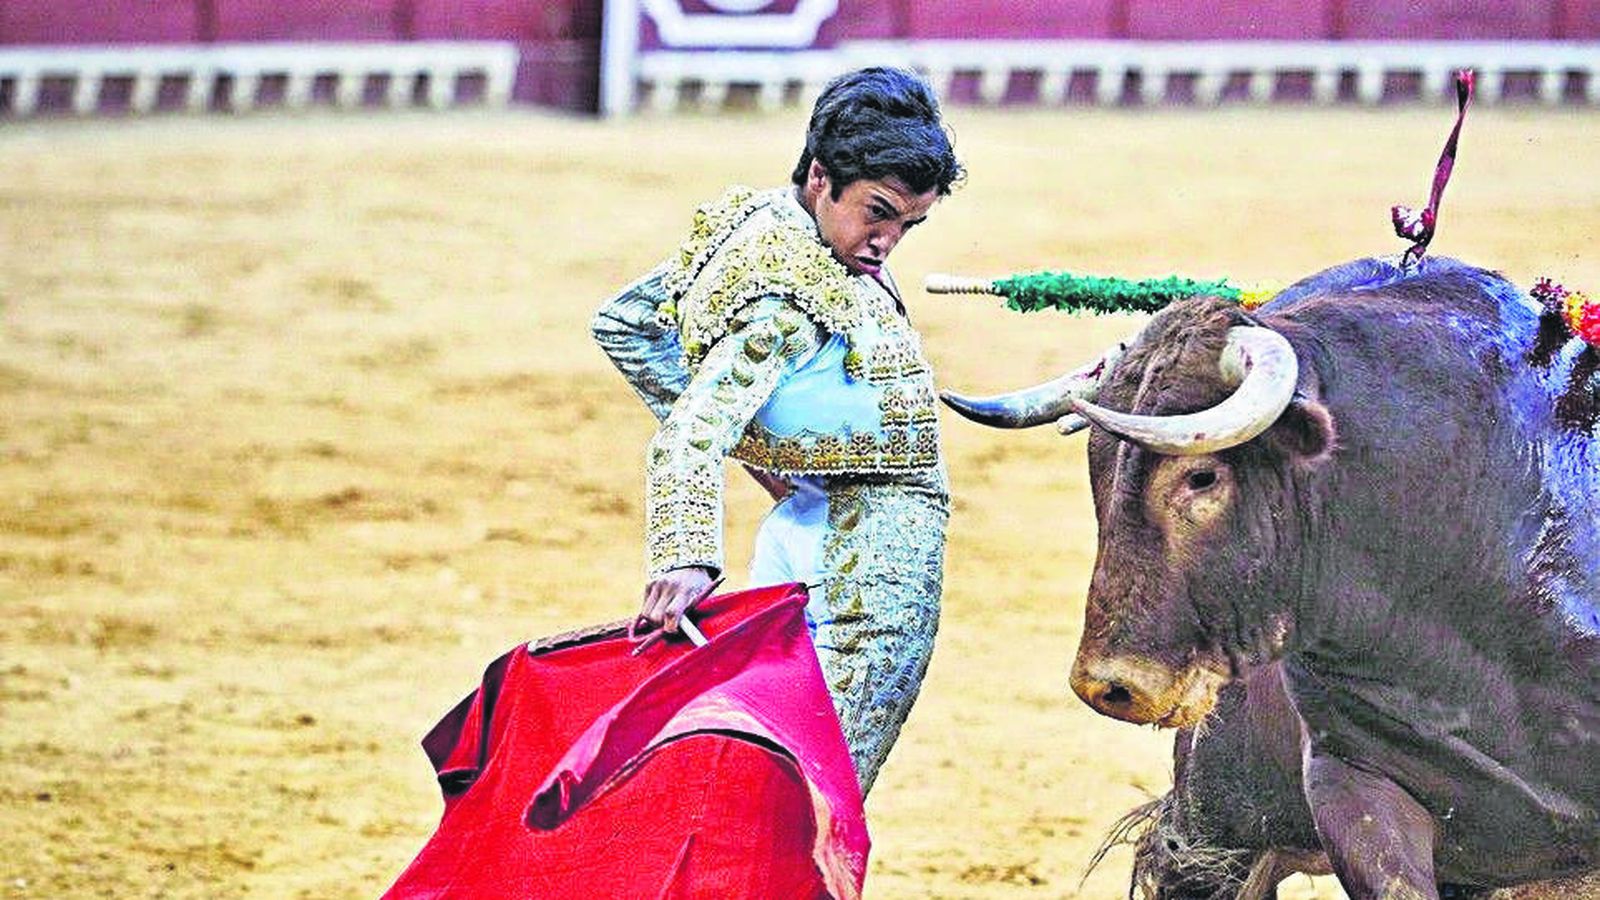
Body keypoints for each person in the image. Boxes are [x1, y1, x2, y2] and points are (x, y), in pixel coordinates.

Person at [591, 67, 963, 794]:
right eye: (876, 213)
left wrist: (765, 444)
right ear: (821, 177)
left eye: (906, 226)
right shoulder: (792, 298)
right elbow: (690, 433)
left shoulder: (762, 226)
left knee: (756, 766)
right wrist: (686, 555)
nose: (886, 242)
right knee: (825, 792)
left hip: (798, 528)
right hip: (869, 562)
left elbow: (626, 324)